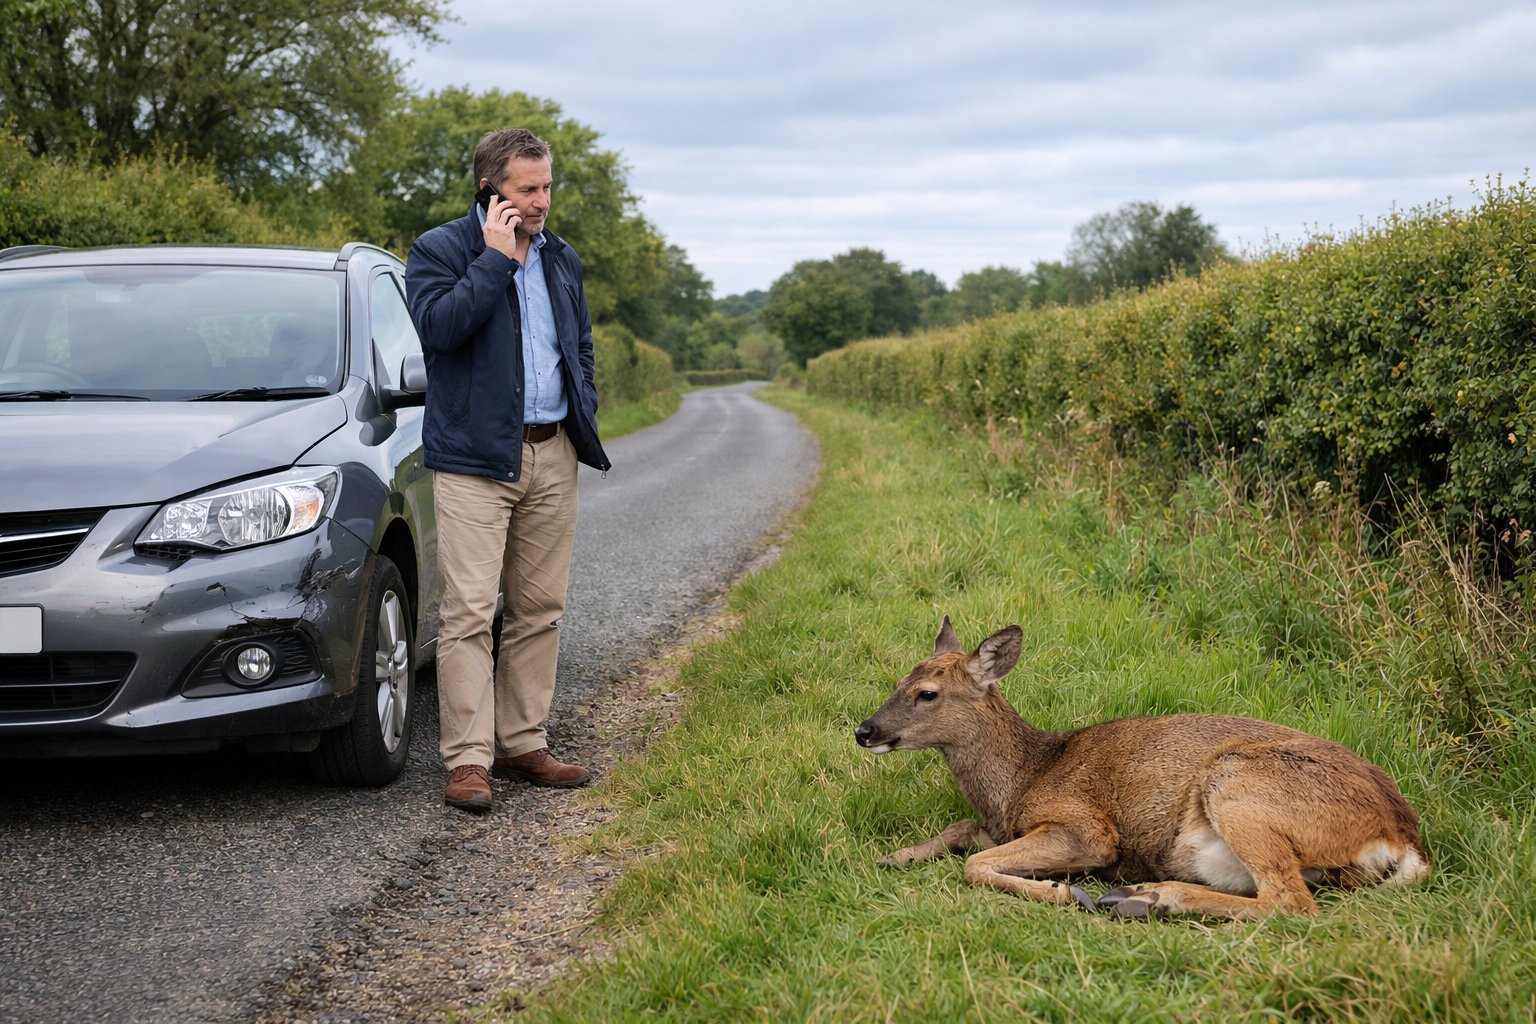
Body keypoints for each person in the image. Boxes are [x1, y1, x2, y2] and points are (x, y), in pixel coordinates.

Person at [405, 128, 611, 812]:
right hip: (473, 460)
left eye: (547, 185)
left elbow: (576, 345)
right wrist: (493, 261)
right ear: (491, 190)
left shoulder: (562, 258)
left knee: (538, 608)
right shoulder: (440, 250)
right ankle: (467, 760)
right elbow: (440, 332)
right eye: (529, 189)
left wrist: (582, 400)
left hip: (552, 450)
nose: (543, 200)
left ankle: (524, 741)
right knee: (467, 612)